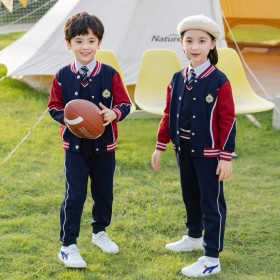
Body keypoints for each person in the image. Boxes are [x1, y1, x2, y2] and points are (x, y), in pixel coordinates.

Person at [151, 15, 236, 278]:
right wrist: (160, 145)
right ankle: (193, 236)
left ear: (212, 44)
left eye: (201, 41)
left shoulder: (219, 81)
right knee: (190, 195)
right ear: (181, 43)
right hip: (183, 150)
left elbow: (228, 119)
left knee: (210, 201)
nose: (195, 46)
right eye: (189, 41)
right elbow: (169, 113)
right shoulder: (177, 78)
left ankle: (211, 257)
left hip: (209, 154)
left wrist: (225, 157)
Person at [48, 12, 131, 268]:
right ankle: (68, 245)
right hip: (74, 148)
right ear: (69, 44)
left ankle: (99, 232)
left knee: (103, 192)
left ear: (99, 43)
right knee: (75, 195)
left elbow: (125, 104)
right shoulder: (62, 75)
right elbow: (54, 107)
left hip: (104, 146)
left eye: (91, 41)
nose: (85, 47)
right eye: (79, 41)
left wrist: (113, 113)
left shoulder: (109, 74)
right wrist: (71, 119)